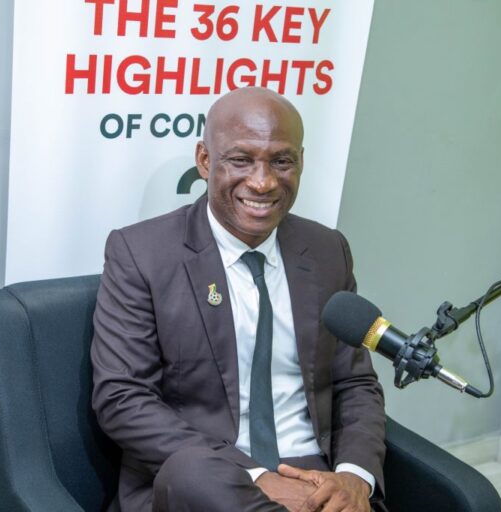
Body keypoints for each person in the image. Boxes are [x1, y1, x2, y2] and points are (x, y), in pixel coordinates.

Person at [91, 87, 387, 512]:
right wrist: (257, 478)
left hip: (317, 479)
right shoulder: (142, 254)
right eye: (241, 159)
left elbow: (355, 383)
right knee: (192, 472)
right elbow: (122, 398)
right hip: (211, 479)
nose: (263, 182)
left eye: (281, 161)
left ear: (301, 162)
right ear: (204, 160)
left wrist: (353, 478)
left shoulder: (326, 251)